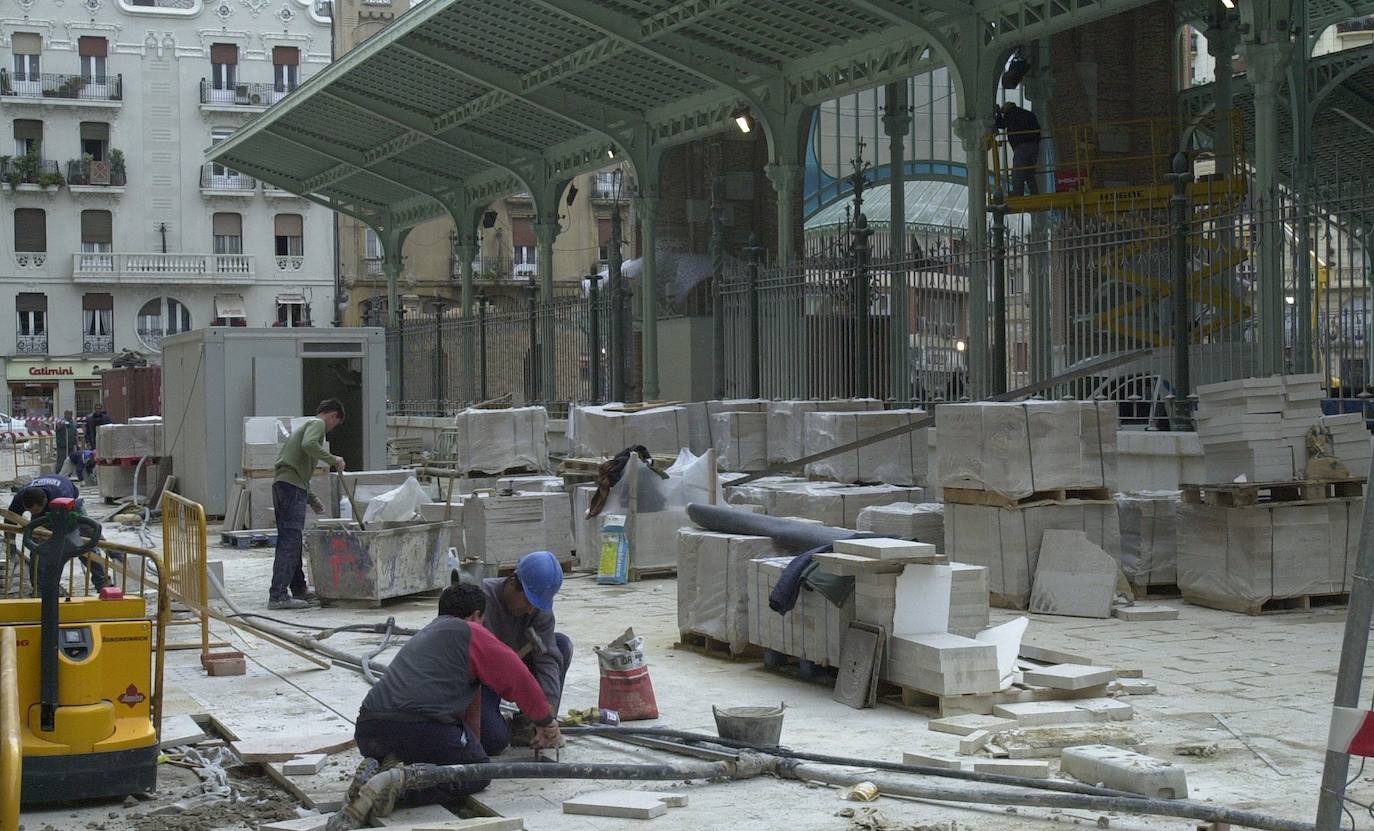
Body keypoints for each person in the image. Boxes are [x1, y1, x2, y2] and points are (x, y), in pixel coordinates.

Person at [352, 583, 561, 807]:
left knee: (441, 752)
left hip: (369, 732)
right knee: (476, 772)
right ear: (476, 615)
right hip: (416, 728)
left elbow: (467, 709)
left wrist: (470, 746)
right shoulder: (471, 631)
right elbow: (518, 678)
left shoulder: (427, 634)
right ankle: (395, 790)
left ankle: (385, 769)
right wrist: (545, 721)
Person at [477, 551, 571, 757]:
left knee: (561, 645)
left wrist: (547, 719)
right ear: (512, 581)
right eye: (527, 601)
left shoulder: (538, 610)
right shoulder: (482, 600)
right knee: (493, 741)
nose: (530, 610)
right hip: (483, 679)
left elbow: (547, 660)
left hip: (516, 668)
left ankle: (527, 724)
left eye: (536, 605)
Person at [268, 399, 347, 610]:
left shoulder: (307, 428)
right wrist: (333, 459)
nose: (331, 428)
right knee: (290, 542)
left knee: (291, 540)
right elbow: (308, 446)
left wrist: (312, 499)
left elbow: (298, 471)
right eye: (334, 423)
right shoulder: (317, 425)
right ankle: (278, 595)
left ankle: (299, 590)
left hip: (287, 485)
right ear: (332, 416)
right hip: (289, 488)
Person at [8, 473, 110, 589]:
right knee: (38, 550)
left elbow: (68, 528)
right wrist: (10, 542)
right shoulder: (21, 496)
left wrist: (70, 540)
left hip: (71, 509)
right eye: (30, 512)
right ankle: (40, 589)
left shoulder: (62, 495)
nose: (32, 514)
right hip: (46, 511)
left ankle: (103, 584)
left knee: (83, 545)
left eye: (36, 511)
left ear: (45, 501)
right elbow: (10, 519)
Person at [995, 101, 1042, 197]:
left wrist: (998, 112)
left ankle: (1017, 193)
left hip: (1021, 147)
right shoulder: (1027, 113)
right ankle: (1035, 193)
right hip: (1034, 146)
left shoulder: (1012, 114)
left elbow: (1001, 124)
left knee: (1018, 172)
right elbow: (1038, 129)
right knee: (1029, 172)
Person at [54, 410, 78, 476]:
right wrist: (60, 425)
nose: (69, 415)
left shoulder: (73, 423)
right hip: (62, 445)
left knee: (70, 460)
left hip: (70, 445)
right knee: (61, 460)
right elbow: (57, 429)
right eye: (67, 414)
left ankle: (69, 473)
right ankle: (58, 474)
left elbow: (75, 433)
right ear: (64, 414)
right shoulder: (61, 421)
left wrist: (76, 443)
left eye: (70, 414)